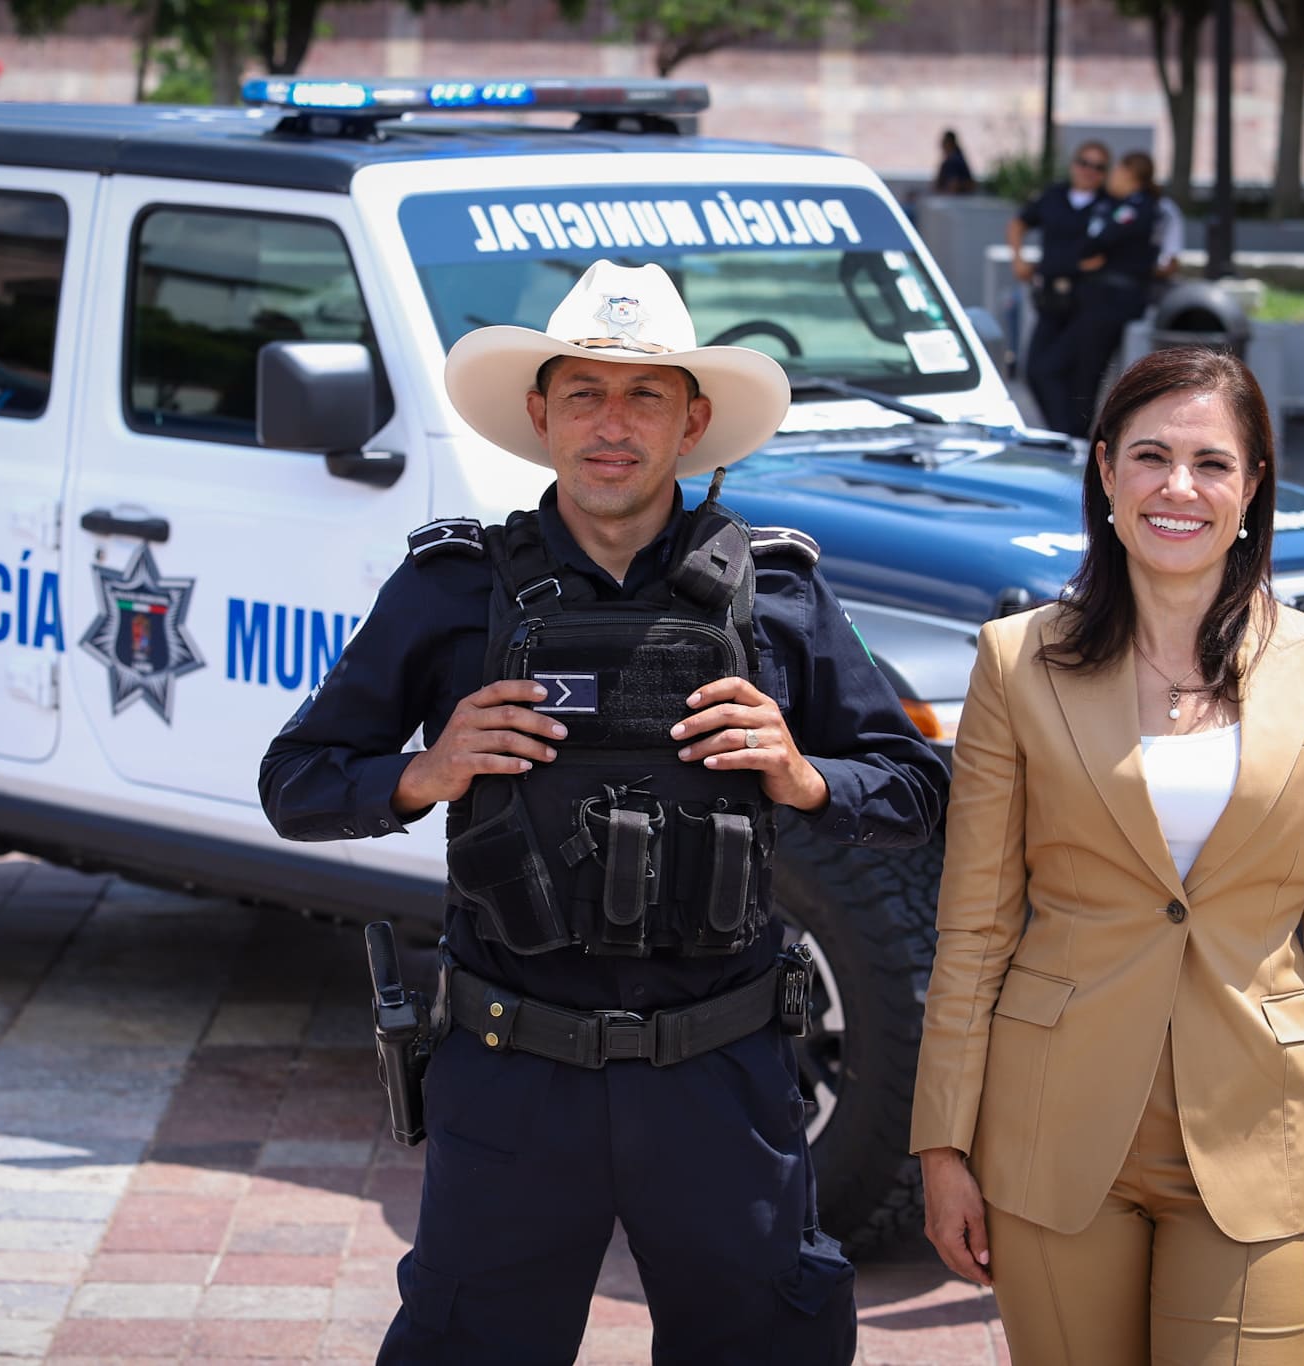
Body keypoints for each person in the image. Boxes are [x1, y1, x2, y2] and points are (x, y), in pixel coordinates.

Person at [259, 259, 947, 1363]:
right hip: (512, 1074)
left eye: (644, 396)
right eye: (584, 393)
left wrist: (804, 774)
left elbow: (913, 790)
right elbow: (295, 779)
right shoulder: (451, 590)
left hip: (720, 1078)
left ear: (693, 419)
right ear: (540, 415)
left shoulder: (777, 594)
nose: (611, 425)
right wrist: (418, 773)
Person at [910, 346, 1304, 1365]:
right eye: (1150, 456)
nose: (1179, 487)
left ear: (1253, 486)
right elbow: (975, 921)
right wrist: (941, 1143)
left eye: (1211, 462)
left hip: (1258, 1124)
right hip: (1051, 1128)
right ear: (1103, 473)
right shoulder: (1015, 661)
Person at [1052, 150, 1164, 440]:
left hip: (1112, 300)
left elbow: (1099, 240)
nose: (1111, 178)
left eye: (1116, 171)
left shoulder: (1137, 207)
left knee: (1086, 371)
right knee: (1063, 367)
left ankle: (1075, 436)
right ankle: (1069, 432)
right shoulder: (1122, 205)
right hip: (1102, 298)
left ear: (1130, 175)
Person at [1010, 139, 1111, 436]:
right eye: (1084, 162)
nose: (1089, 171)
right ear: (1073, 164)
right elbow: (1018, 223)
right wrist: (1019, 259)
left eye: (1098, 166)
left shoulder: (1108, 204)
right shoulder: (1053, 195)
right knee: (1035, 370)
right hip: (1051, 299)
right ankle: (1062, 433)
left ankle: (1073, 438)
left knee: (1078, 376)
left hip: (1087, 302)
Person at [934, 129, 977, 196]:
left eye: (944, 142)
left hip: (955, 201)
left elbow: (954, 186)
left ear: (949, 143)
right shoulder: (955, 158)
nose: (942, 145)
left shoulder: (954, 161)